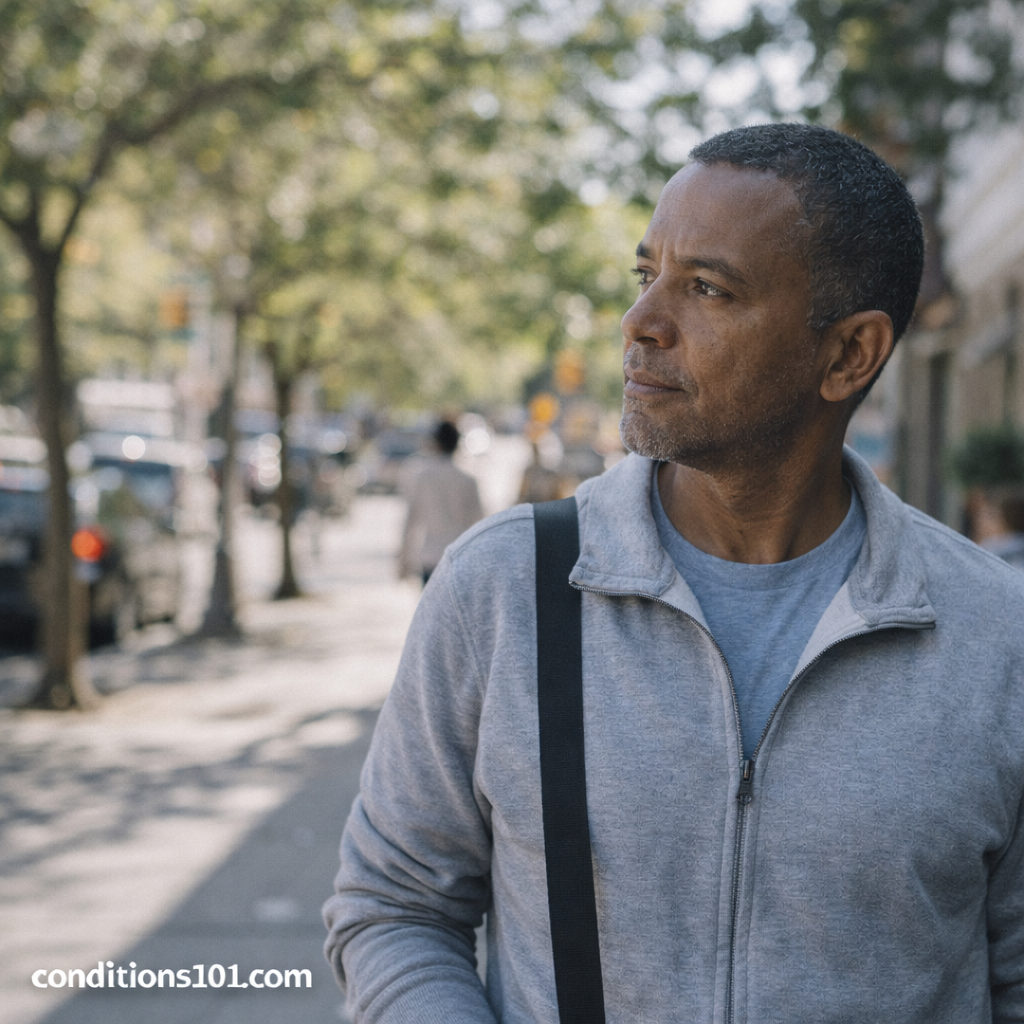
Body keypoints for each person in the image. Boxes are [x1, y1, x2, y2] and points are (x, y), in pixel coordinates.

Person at [324, 124, 1024, 1023]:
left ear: (849, 354)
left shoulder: (995, 636)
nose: (641, 323)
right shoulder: (504, 591)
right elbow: (393, 907)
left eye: (706, 288)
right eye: (645, 274)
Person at [397, 419, 483, 585]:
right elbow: (478, 522)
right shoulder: (467, 480)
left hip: (431, 557)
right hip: (460, 558)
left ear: (436, 444)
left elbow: (412, 519)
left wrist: (404, 556)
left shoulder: (423, 478)